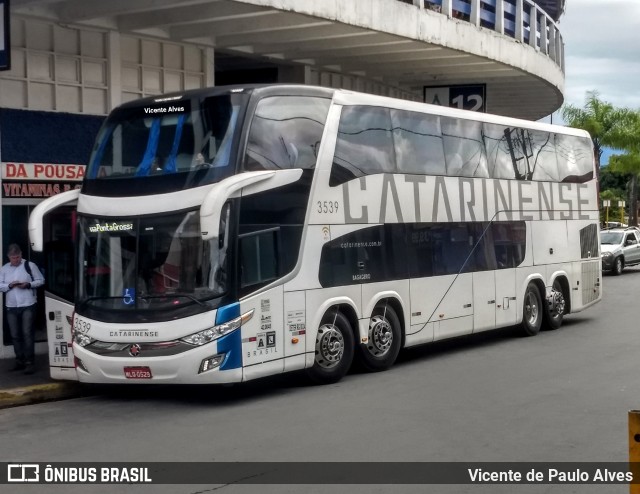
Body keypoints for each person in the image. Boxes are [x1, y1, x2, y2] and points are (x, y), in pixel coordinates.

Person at [0, 244, 45, 374]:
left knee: (27, 333)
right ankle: (19, 360)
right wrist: (9, 285)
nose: (16, 260)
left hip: (28, 304)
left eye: (18, 257)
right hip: (11, 306)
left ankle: (30, 362)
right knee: (14, 335)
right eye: (13, 258)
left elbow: (41, 280)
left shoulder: (30, 266)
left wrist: (28, 284)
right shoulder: (4, 269)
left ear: (21, 255)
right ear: (9, 257)